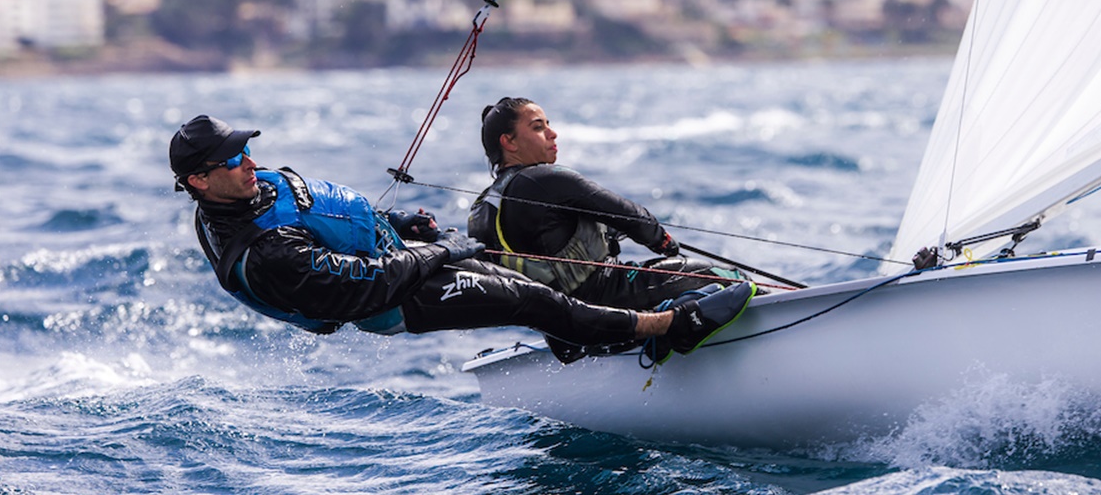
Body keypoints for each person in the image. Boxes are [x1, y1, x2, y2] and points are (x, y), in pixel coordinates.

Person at [170, 114, 755, 366]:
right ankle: (669, 327)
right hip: (394, 300)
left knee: (529, 293)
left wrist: (402, 225)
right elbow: (370, 284)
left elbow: (326, 219)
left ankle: (578, 337)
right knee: (527, 298)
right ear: (199, 181)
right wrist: (441, 250)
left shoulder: (250, 190)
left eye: (247, 149)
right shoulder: (263, 256)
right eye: (233, 159)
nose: (250, 162)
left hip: (402, 259)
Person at [469, 97, 748, 315]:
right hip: (607, 296)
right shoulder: (544, 179)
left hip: (563, 323)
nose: (553, 133)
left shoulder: (481, 209)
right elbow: (632, 216)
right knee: (727, 278)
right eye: (538, 127)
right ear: (509, 142)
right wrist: (662, 241)